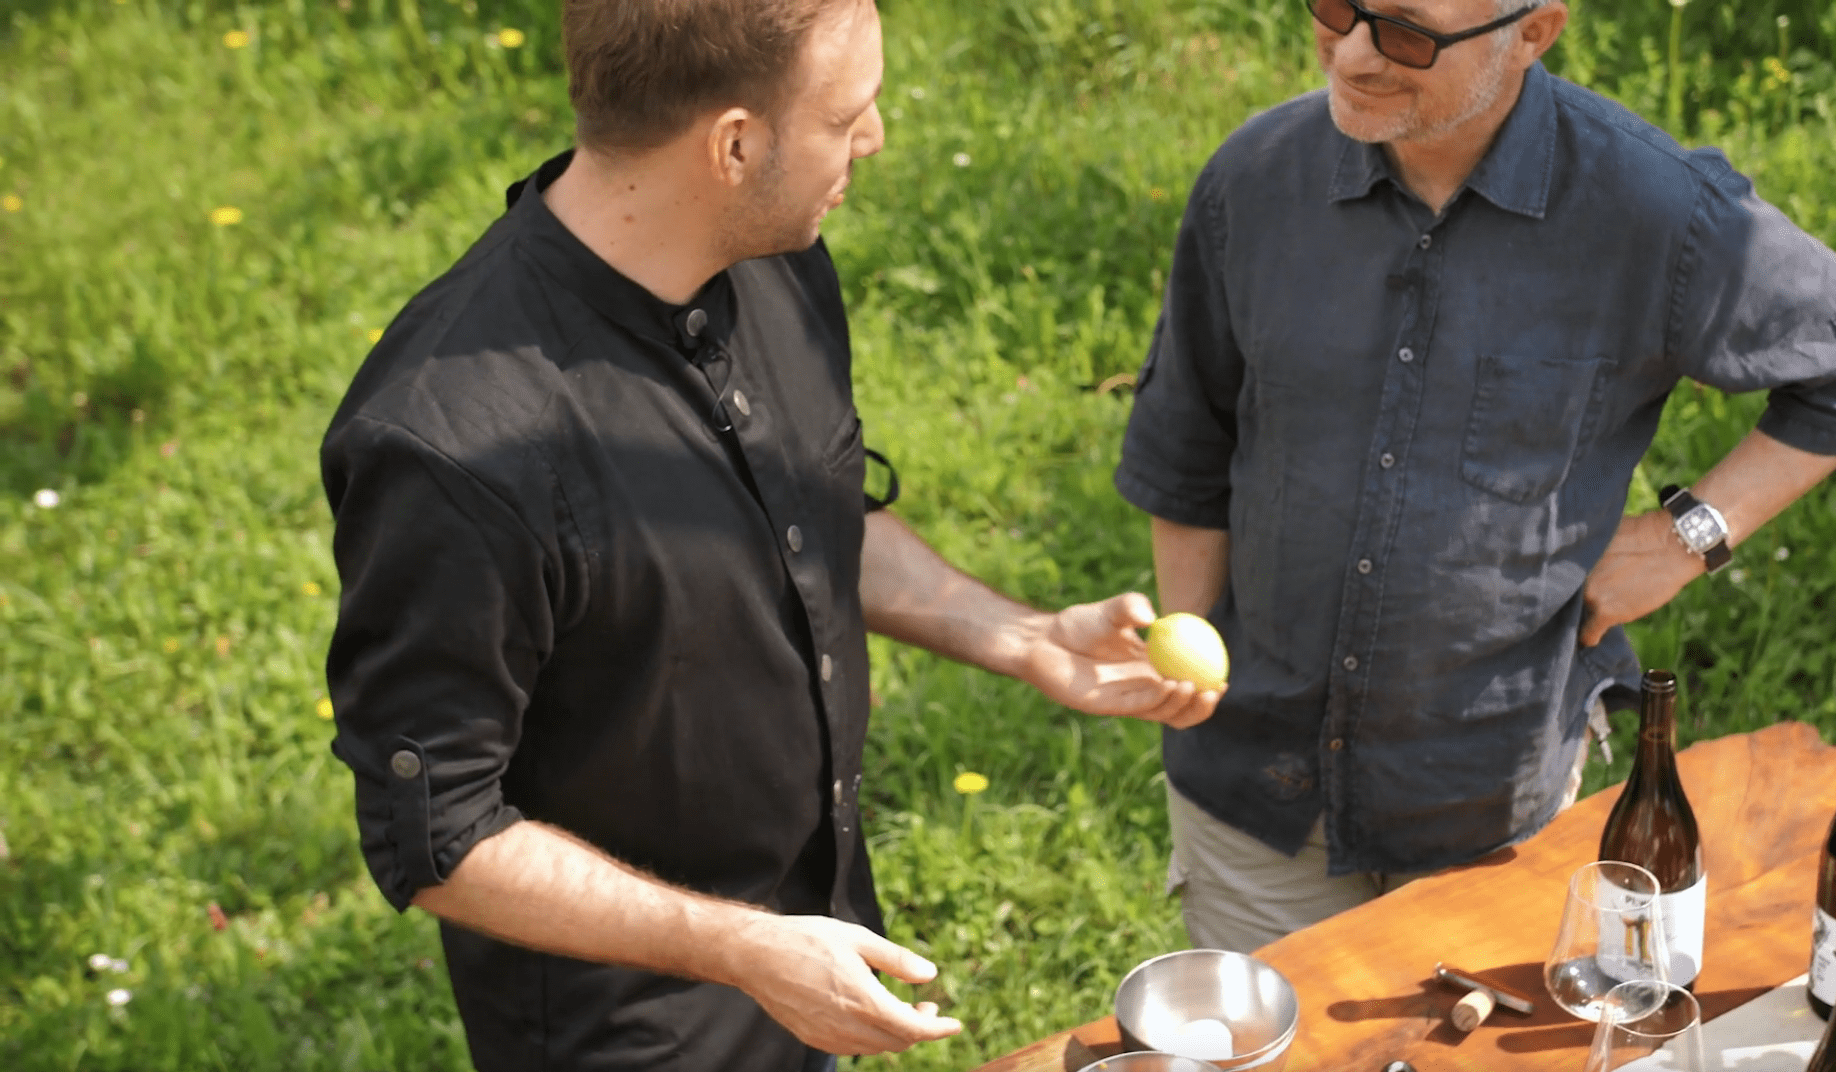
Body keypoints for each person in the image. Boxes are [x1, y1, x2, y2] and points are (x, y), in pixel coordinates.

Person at [320, 0, 1219, 1068]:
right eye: (848, 115)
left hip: (805, 944)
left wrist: (1019, 636)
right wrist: (744, 948)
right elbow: (441, 836)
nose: (875, 138)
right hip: (632, 1031)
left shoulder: (772, 257)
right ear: (735, 143)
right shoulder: (453, 448)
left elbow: (813, 509)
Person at [1114, 0, 1836, 954]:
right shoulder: (1252, 179)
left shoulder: (1658, 212)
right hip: (1255, 791)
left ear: (1533, 32)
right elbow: (1190, 445)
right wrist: (1194, 662)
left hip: (1490, 794)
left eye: (1408, 32)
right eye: (1337, 8)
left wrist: (1686, 535)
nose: (1357, 54)